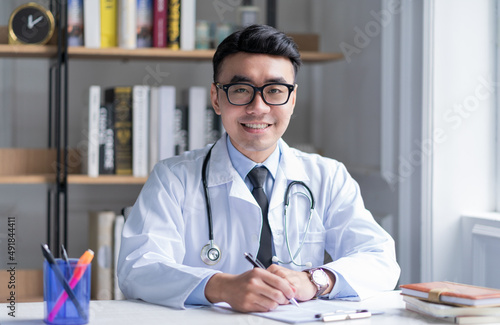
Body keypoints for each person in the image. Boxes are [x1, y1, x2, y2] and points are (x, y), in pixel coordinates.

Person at [117, 24, 400, 313]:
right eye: (241, 90)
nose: (258, 107)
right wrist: (221, 286)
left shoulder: (328, 176)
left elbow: (379, 259)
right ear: (216, 98)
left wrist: (315, 280)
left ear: (292, 99)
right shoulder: (172, 178)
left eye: (275, 91)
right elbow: (138, 268)